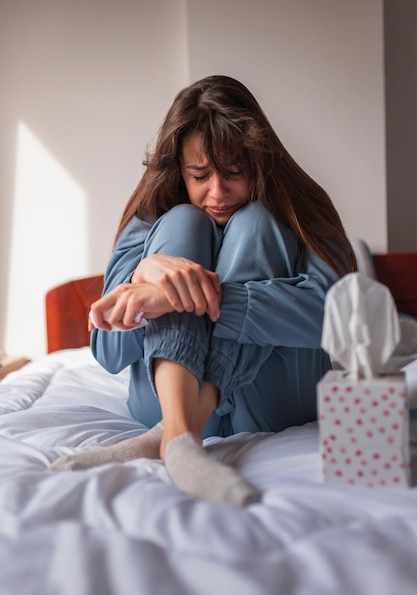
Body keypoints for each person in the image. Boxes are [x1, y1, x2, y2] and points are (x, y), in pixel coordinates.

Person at [50, 75, 357, 506]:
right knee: (182, 222)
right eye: (200, 175)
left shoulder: (303, 212)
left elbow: (335, 318)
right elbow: (108, 352)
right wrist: (146, 278)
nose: (217, 192)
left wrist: (173, 297)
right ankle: (181, 431)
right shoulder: (150, 220)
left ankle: (173, 435)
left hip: (276, 401)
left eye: (234, 172)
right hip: (158, 399)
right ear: (179, 170)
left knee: (258, 222)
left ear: (261, 163)